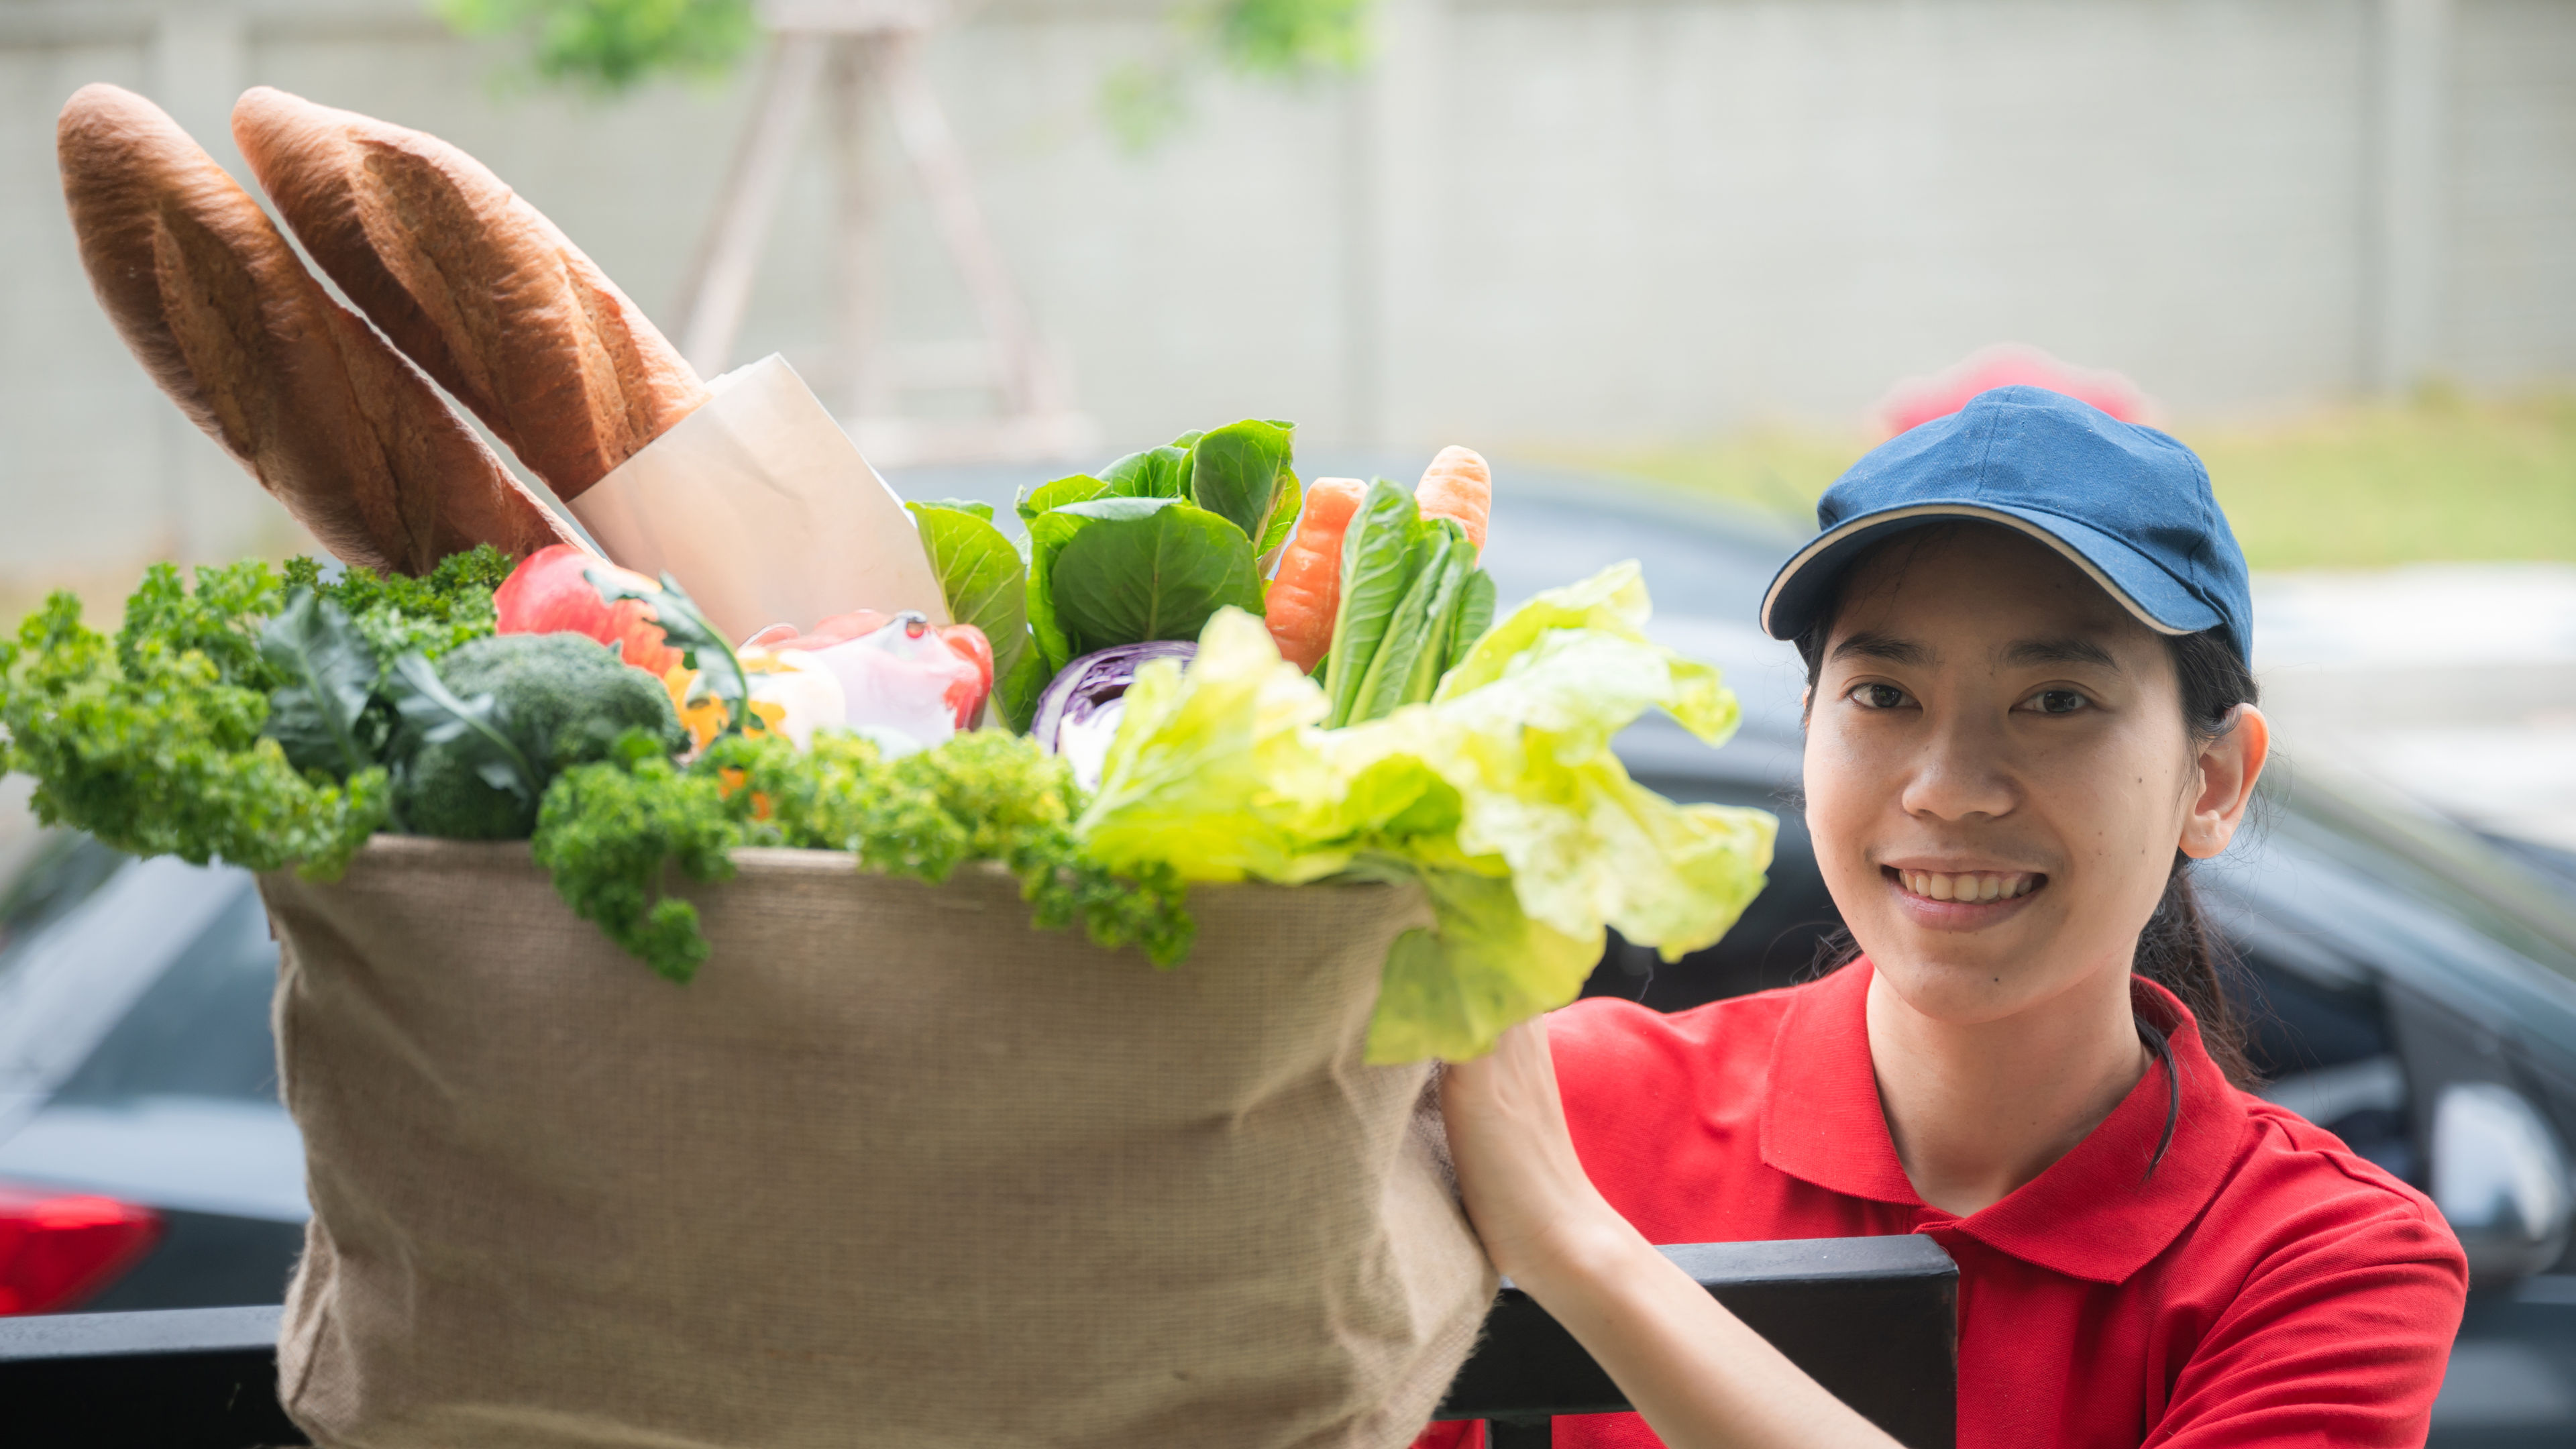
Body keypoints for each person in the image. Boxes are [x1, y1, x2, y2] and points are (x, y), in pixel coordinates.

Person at [1417, 387, 2469, 1449]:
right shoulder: (1551, 1110)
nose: (1950, 788)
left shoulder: (2321, 1260)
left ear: (2213, 782)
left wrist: (1584, 1257)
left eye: (2056, 699)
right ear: (1808, 728)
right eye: (1884, 695)